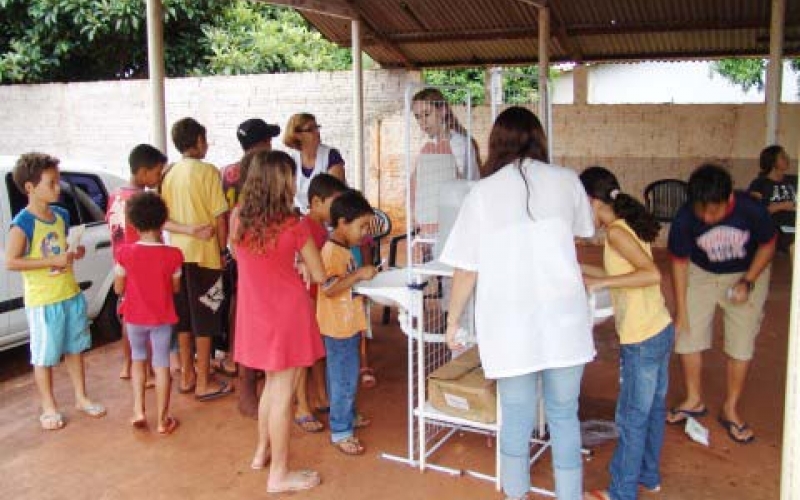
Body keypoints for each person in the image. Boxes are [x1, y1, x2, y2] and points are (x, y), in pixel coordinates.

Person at [441, 107, 595, 500]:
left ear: (496, 143)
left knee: (516, 416)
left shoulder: (482, 193)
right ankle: (570, 495)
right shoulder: (567, 181)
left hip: (509, 323)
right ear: (539, 139)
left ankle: (515, 493)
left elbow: (467, 268)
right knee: (563, 414)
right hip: (565, 319)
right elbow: (579, 235)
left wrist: (452, 320)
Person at [232, 150, 326, 494]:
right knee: (282, 392)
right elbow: (317, 272)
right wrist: (299, 264)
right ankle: (280, 474)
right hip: (287, 314)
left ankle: (262, 453)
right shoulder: (294, 224)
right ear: (281, 181)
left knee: (271, 387)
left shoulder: (239, 218)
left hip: (256, 313)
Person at [579, 167, 674, 500]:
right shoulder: (624, 225)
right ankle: (649, 476)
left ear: (592, 200)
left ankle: (621, 492)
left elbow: (650, 275)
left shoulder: (616, 233)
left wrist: (601, 283)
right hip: (659, 327)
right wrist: (580, 269)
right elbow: (622, 271)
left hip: (642, 337)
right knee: (652, 409)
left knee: (632, 416)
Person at [666, 164, 775, 444]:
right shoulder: (686, 217)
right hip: (701, 274)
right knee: (687, 335)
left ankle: (731, 408)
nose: (706, 217)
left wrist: (748, 281)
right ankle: (693, 399)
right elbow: (678, 264)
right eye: (701, 210)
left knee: (741, 342)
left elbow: (768, 244)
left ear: (728, 199)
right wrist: (681, 310)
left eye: (713, 211)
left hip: (745, 272)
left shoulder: (750, 209)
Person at [6, 153, 107, 430]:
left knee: (75, 348)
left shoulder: (61, 215)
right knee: (44, 356)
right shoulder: (23, 223)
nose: (57, 188)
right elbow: (12, 261)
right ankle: (49, 407)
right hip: (43, 300)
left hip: (69, 292)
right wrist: (52, 260)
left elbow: (60, 249)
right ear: (30, 187)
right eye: (51, 183)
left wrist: (74, 252)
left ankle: (81, 397)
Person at [106, 144, 210, 384]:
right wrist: (191, 230)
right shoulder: (141, 199)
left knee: (129, 314)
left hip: (123, 261)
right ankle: (152, 367)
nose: (159, 177)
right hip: (145, 262)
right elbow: (161, 223)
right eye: (157, 172)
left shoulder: (116, 194)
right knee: (154, 316)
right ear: (143, 172)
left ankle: (128, 363)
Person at [160, 117, 232, 401]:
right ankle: (204, 381)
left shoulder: (168, 174)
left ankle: (188, 375)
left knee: (185, 319)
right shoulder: (208, 172)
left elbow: (163, 218)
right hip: (206, 256)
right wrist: (223, 249)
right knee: (207, 319)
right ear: (198, 141)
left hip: (178, 256)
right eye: (205, 139)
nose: (207, 144)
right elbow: (219, 217)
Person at [220, 118, 281, 418]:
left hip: (242, 256)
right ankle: (252, 390)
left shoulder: (227, 172)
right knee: (255, 321)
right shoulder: (263, 169)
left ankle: (251, 387)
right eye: (268, 138)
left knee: (242, 314)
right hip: (257, 256)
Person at [114, 191, 184, 435]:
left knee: (138, 360)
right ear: (162, 220)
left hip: (134, 316)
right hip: (162, 317)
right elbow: (175, 288)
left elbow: (118, 287)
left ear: (133, 223)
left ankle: (138, 410)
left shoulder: (124, 253)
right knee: (161, 364)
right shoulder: (173, 255)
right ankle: (163, 420)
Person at [317, 189, 378, 455]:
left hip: (346, 324)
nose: (365, 232)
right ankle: (341, 430)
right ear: (342, 222)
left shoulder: (344, 248)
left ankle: (347, 415)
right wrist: (358, 276)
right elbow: (329, 288)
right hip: (338, 327)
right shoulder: (331, 252)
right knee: (343, 378)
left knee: (343, 375)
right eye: (361, 226)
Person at [293, 173, 347, 433]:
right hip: (306, 299)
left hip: (318, 299)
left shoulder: (321, 229)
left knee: (317, 352)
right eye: (333, 203)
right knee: (304, 356)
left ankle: (321, 396)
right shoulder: (305, 228)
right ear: (316, 202)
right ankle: (302, 406)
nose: (337, 210)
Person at [411, 87, 480, 181]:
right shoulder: (432, 142)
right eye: (418, 117)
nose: (422, 121)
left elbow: (452, 181)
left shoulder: (459, 143)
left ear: (443, 111)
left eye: (427, 114)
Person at [283, 112, 346, 213]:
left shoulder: (331, 155)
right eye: (310, 129)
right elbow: (287, 194)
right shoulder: (291, 159)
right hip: (301, 218)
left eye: (317, 127)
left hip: (330, 216)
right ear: (298, 135)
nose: (317, 132)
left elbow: (336, 193)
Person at [748, 144, 796, 253]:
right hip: (775, 234)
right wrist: (781, 206)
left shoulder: (794, 180)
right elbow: (753, 212)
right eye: (783, 157)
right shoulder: (759, 184)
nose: (787, 159)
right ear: (773, 162)